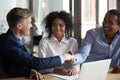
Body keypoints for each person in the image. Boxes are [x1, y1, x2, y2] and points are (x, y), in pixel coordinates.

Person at [0, 7, 74, 79]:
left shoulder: (14, 40)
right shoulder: (8, 43)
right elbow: (36, 63)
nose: (31, 25)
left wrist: (29, 71)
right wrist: (64, 57)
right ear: (19, 26)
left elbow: (16, 64)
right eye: (29, 22)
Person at [67, 9, 120, 73]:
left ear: (118, 26)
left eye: (110, 22)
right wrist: (74, 58)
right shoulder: (92, 34)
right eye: (104, 20)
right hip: (91, 72)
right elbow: (83, 54)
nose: (105, 24)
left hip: (112, 74)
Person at [38, 11, 80, 76]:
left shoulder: (73, 42)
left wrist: (74, 68)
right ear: (50, 26)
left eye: (61, 25)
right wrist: (56, 70)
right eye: (54, 25)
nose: (57, 28)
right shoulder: (44, 42)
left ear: (66, 27)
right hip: (50, 76)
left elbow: (77, 61)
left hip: (69, 76)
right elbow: (41, 66)